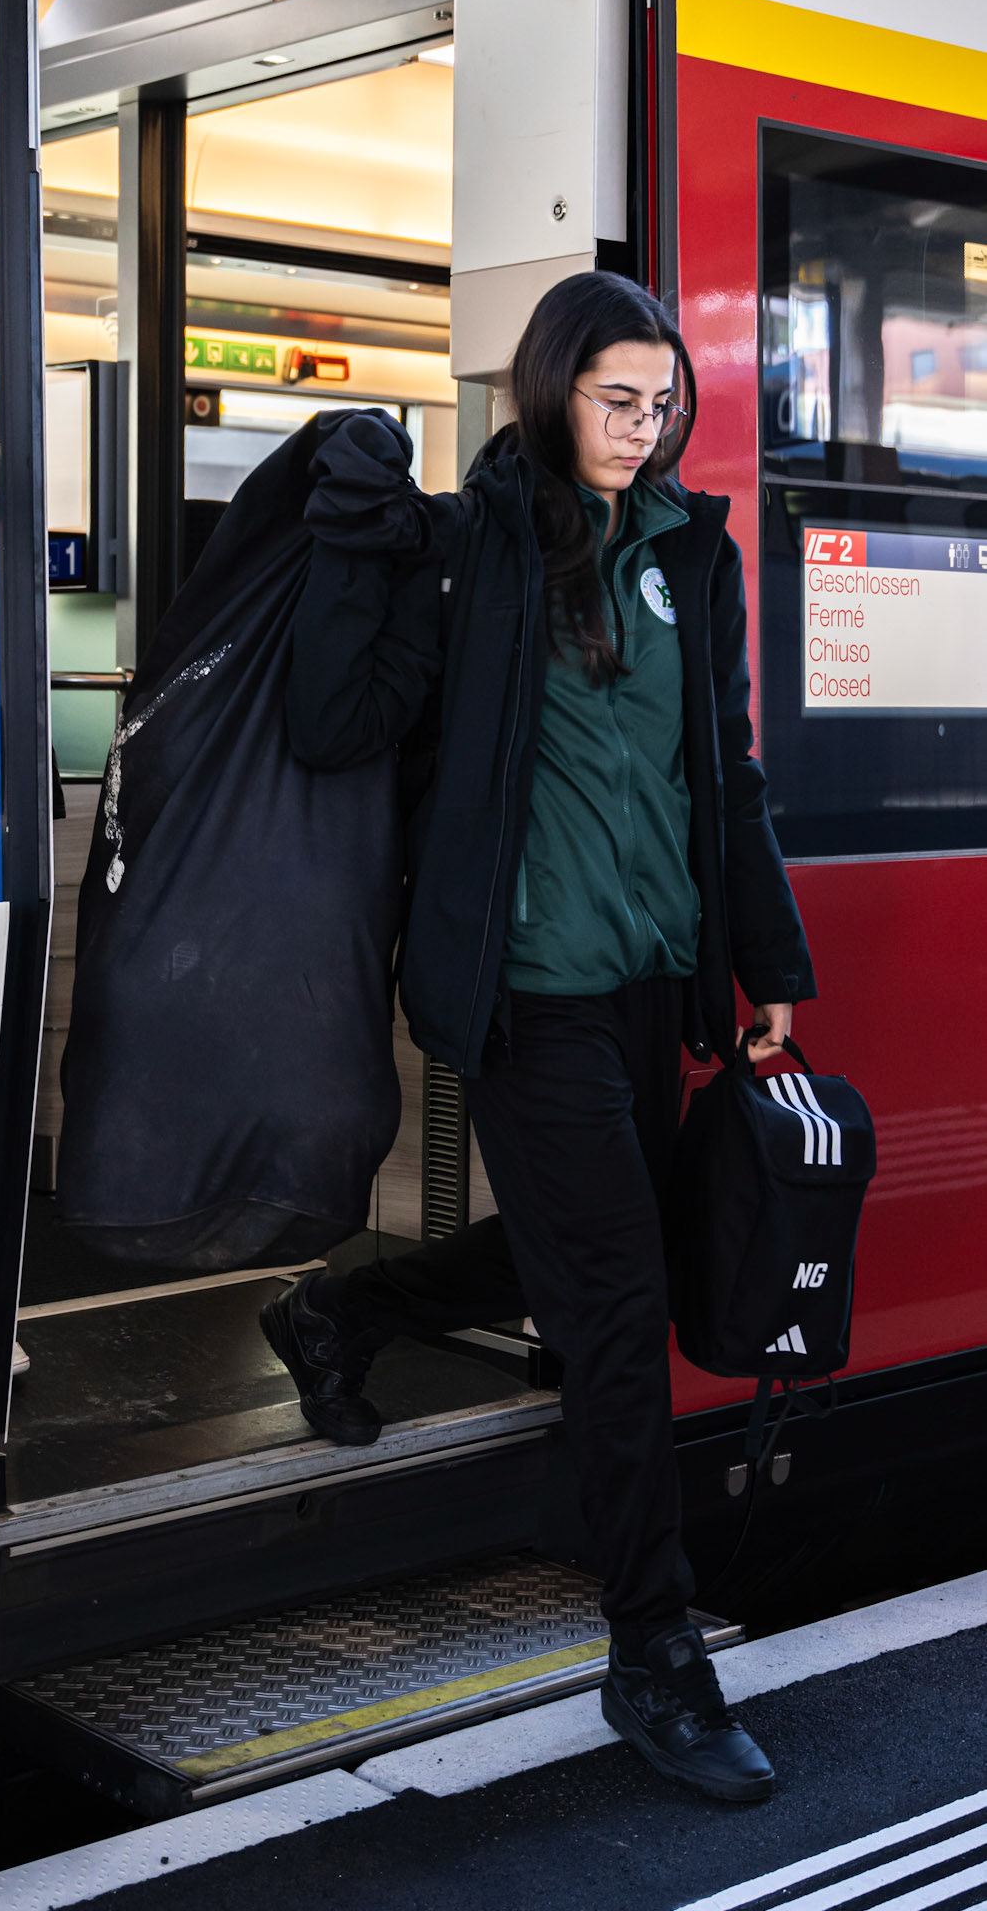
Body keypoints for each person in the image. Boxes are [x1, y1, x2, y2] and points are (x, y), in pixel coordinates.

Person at [259, 272, 816, 1803]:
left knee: (602, 1245)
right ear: (549, 388)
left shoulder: (688, 554)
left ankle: (345, 1311)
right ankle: (655, 1658)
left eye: (662, 404)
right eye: (612, 398)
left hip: (652, 981)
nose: (641, 431)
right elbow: (334, 721)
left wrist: (767, 960)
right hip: (522, 991)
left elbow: (730, 772)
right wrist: (351, 542)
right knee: (615, 1305)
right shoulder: (471, 542)